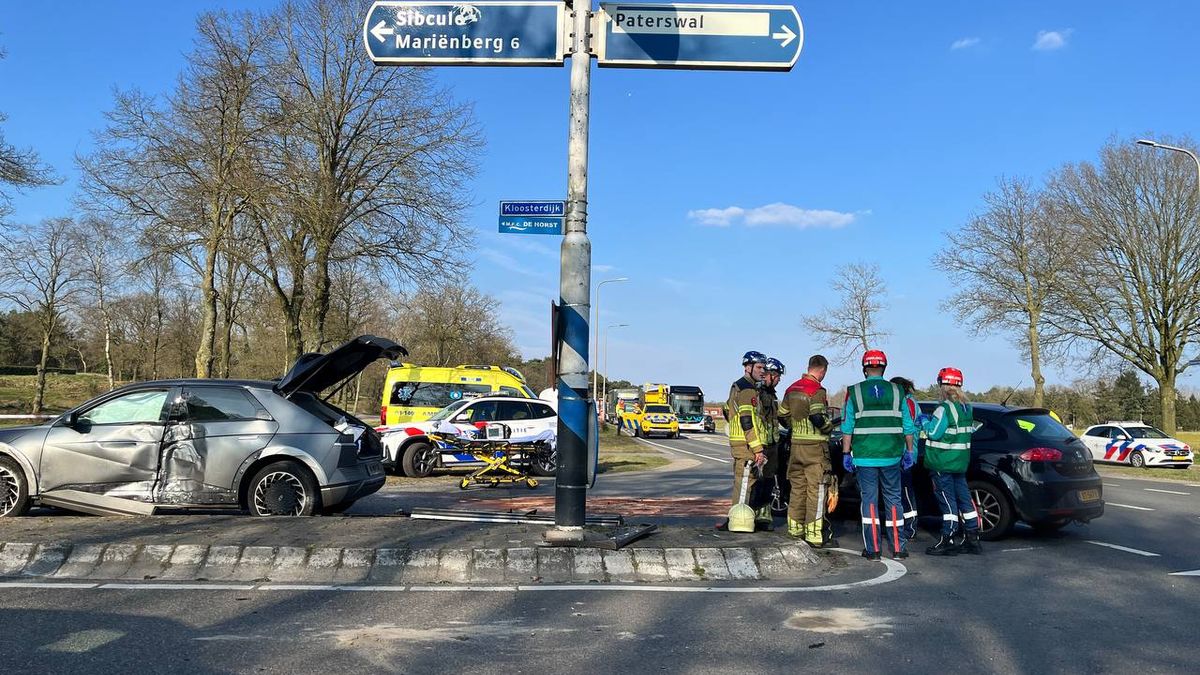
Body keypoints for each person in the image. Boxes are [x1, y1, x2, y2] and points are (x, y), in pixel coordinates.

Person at [841, 349, 916, 561]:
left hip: (864, 456)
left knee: (870, 501)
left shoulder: (854, 392)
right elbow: (907, 425)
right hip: (892, 454)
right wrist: (909, 451)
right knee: (894, 500)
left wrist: (846, 453)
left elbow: (848, 426)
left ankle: (873, 550)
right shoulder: (898, 391)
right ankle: (899, 548)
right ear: (883, 367)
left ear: (865, 368)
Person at [922, 367, 982, 556]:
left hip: (942, 461)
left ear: (943, 384)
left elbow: (933, 432)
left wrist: (923, 422)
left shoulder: (944, 408)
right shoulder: (966, 408)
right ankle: (972, 537)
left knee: (947, 501)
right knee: (965, 499)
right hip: (959, 461)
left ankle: (947, 538)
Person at [780, 354, 838, 548]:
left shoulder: (792, 388)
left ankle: (794, 531)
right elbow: (818, 417)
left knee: (797, 489)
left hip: (796, 447)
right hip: (815, 449)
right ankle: (815, 536)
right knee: (817, 490)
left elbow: (782, 416)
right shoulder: (817, 390)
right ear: (822, 370)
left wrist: (795, 428)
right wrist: (829, 427)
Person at [719, 351, 768, 530]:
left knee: (743, 482)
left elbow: (727, 409)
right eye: (759, 367)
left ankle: (735, 520)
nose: (763, 371)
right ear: (748, 367)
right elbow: (746, 420)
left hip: (741, 443)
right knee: (744, 485)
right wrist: (757, 448)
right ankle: (738, 523)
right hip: (746, 445)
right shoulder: (747, 389)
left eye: (764, 368)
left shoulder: (741, 387)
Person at [751, 357, 785, 531]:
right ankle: (753, 515)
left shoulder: (772, 394)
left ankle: (764, 516)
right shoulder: (758, 393)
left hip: (772, 444)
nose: (779, 380)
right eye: (777, 376)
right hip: (761, 445)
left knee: (769, 481)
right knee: (758, 481)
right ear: (770, 375)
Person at [890, 376, 921, 541]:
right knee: (903, 491)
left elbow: (906, 427)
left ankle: (910, 527)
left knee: (905, 491)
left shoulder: (906, 403)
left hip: (904, 452)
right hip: (908, 451)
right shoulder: (912, 402)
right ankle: (907, 525)